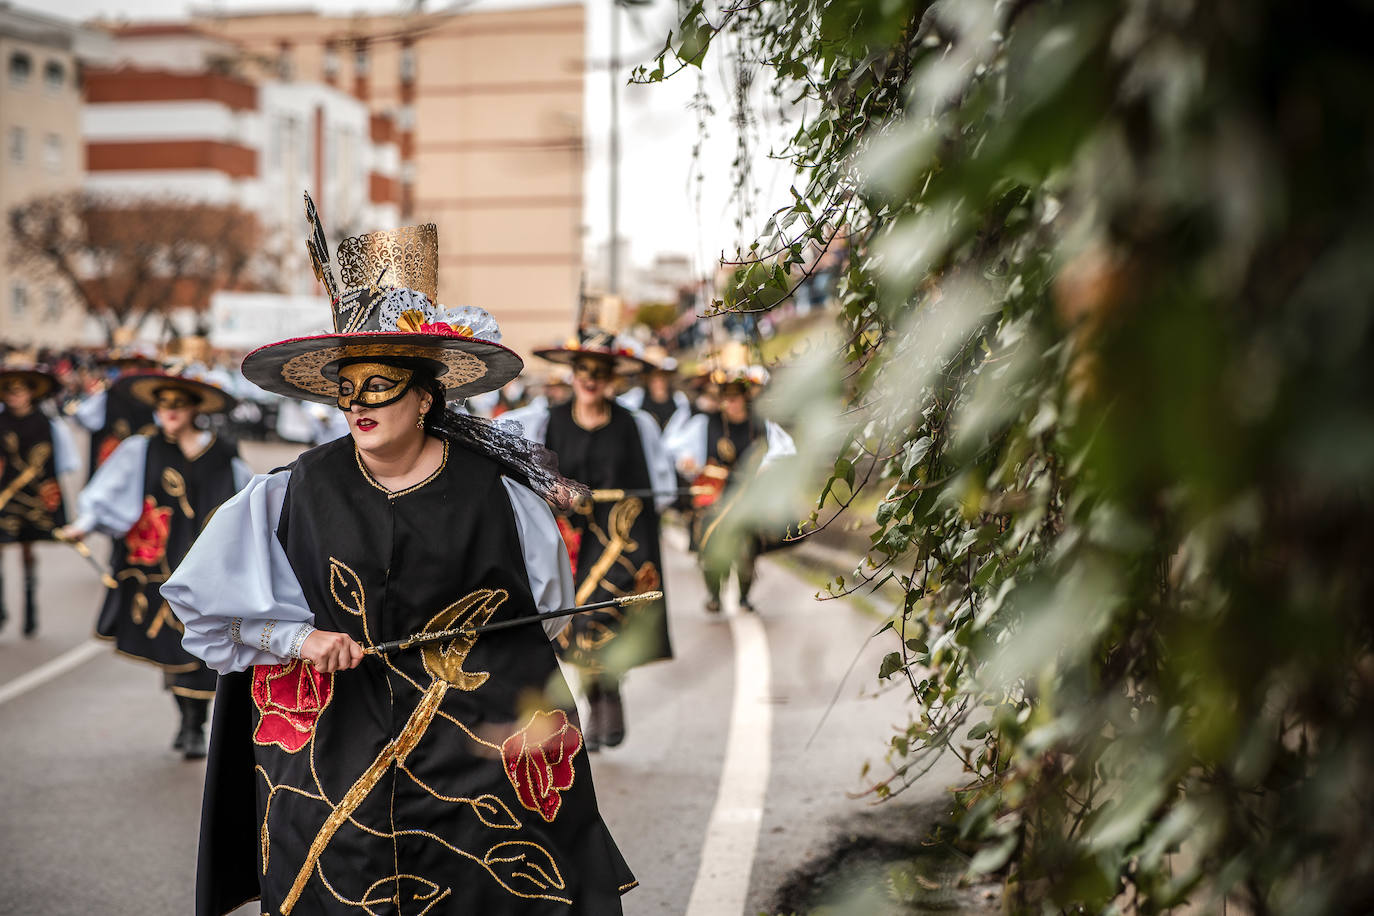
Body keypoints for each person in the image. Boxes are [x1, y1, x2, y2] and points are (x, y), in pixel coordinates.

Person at [161, 201, 636, 916]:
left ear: (425, 396)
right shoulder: (287, 493)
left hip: (471, 764)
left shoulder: (502, 499)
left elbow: (545, 618)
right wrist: (301, 638)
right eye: (346, 387)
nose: (358, 403)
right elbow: (204, 601)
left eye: (379, 384)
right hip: (334, 761)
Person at [59, 370, 250, 758]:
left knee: (205, 644)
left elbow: (248, 500)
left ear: (194, 408)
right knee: (171, 642)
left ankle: (195, 722)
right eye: (163, 405)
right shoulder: (141, 448)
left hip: (210, 561)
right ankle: (188, 721)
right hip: (160, 564)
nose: (169, 412)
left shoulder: (224, 451)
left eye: (177, 405)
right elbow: (109, 489)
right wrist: (84, 524)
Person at [500, 329, 675, 752]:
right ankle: (601, 699)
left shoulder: (637, 425)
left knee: (602, 617)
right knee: (571, 621)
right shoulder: (546, 420)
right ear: (573, 374)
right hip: (569, 538)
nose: (590, 379)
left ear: (612, 377)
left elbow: (663, 488)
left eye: (599, 372)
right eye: (583, 370)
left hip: (621, 539)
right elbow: (523, 472)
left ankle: (606, 699)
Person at [667, 365, 796, 613]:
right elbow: (679, 449)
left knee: (746, 550)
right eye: (726, 398)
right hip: (714, 499)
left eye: (735, 398)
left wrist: (767, 467)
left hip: (746, 498)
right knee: (713, 551)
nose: (730, 403)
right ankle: (714, 595)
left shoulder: (761, 425)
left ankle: (744, 597)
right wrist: (687, 461)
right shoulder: (706, 423)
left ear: (746, 398)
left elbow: (785, 450)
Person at [0, 364, 79, 636]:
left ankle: (30, 604)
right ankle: (0, 606)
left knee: (27, 548)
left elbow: (59, 462)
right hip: (3, 494)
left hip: (34, 495)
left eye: (19, 391)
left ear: (30, 394)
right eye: (9, 392)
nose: (14, 397)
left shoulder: (46, 423)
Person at [71, 351, 160, 481]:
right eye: (123, 367)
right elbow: (85, 417)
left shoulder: (148, 397)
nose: (127, 371)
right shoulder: (106, 396)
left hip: (142, 463)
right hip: (111, 463)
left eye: (131, 367)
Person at [616, 345, 691, 437]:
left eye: (662, 378)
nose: (659, 384)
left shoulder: (679, 400)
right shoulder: (635, 398)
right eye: (654, 379)